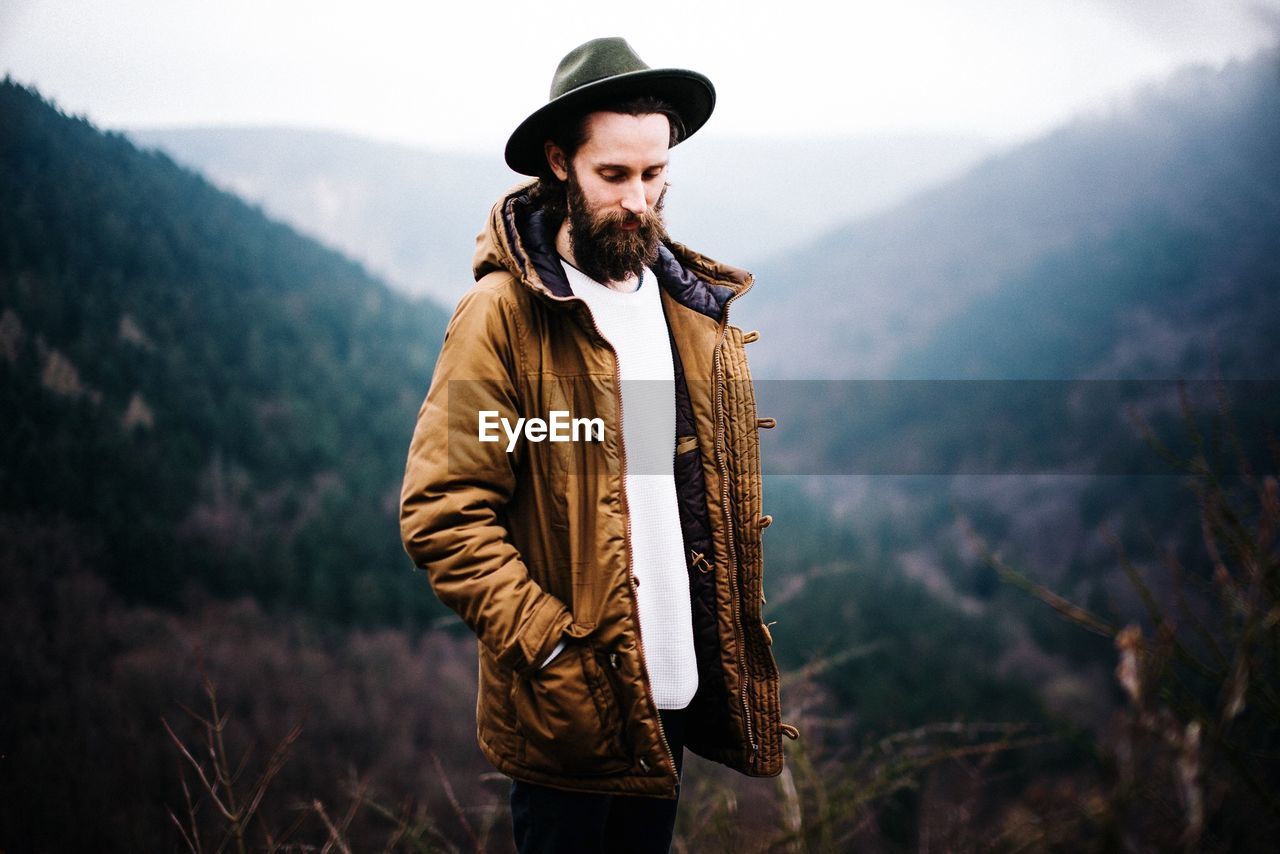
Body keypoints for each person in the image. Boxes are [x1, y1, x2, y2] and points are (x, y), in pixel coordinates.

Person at [399, 36, 794, 854]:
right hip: (569, 717)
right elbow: (443, 512)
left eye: (655, 176)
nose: (640, 201)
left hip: (674, 704)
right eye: (614, 175)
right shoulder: (501, 317)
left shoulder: (689, 314)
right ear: (558, 163)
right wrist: (551, 645)